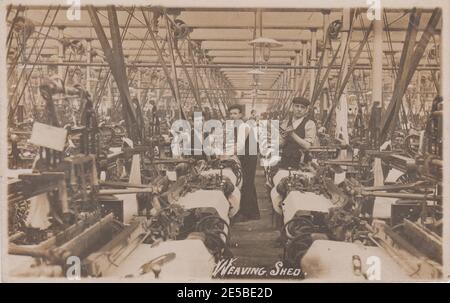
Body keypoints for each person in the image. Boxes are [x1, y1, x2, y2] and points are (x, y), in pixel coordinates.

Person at [228, 104, 260, 222]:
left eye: (235, 113)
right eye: (231, 114)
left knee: (247, 183)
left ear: (241, 114)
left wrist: (226, 153)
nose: (232, 116)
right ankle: (249, 212)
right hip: (243, 156)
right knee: (244, 183)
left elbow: (240, 144)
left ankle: (248, 214)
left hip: (249, 157)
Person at [279, 96, 317, 169]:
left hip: (301, 164)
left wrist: (292, 134)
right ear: (292, 107)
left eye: (302, 107)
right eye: (297, 106)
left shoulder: (309, 124)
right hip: (285, 161)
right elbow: (280, 143)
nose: (299, 109)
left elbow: (307, 146)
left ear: (306, 110)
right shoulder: (285, 122)